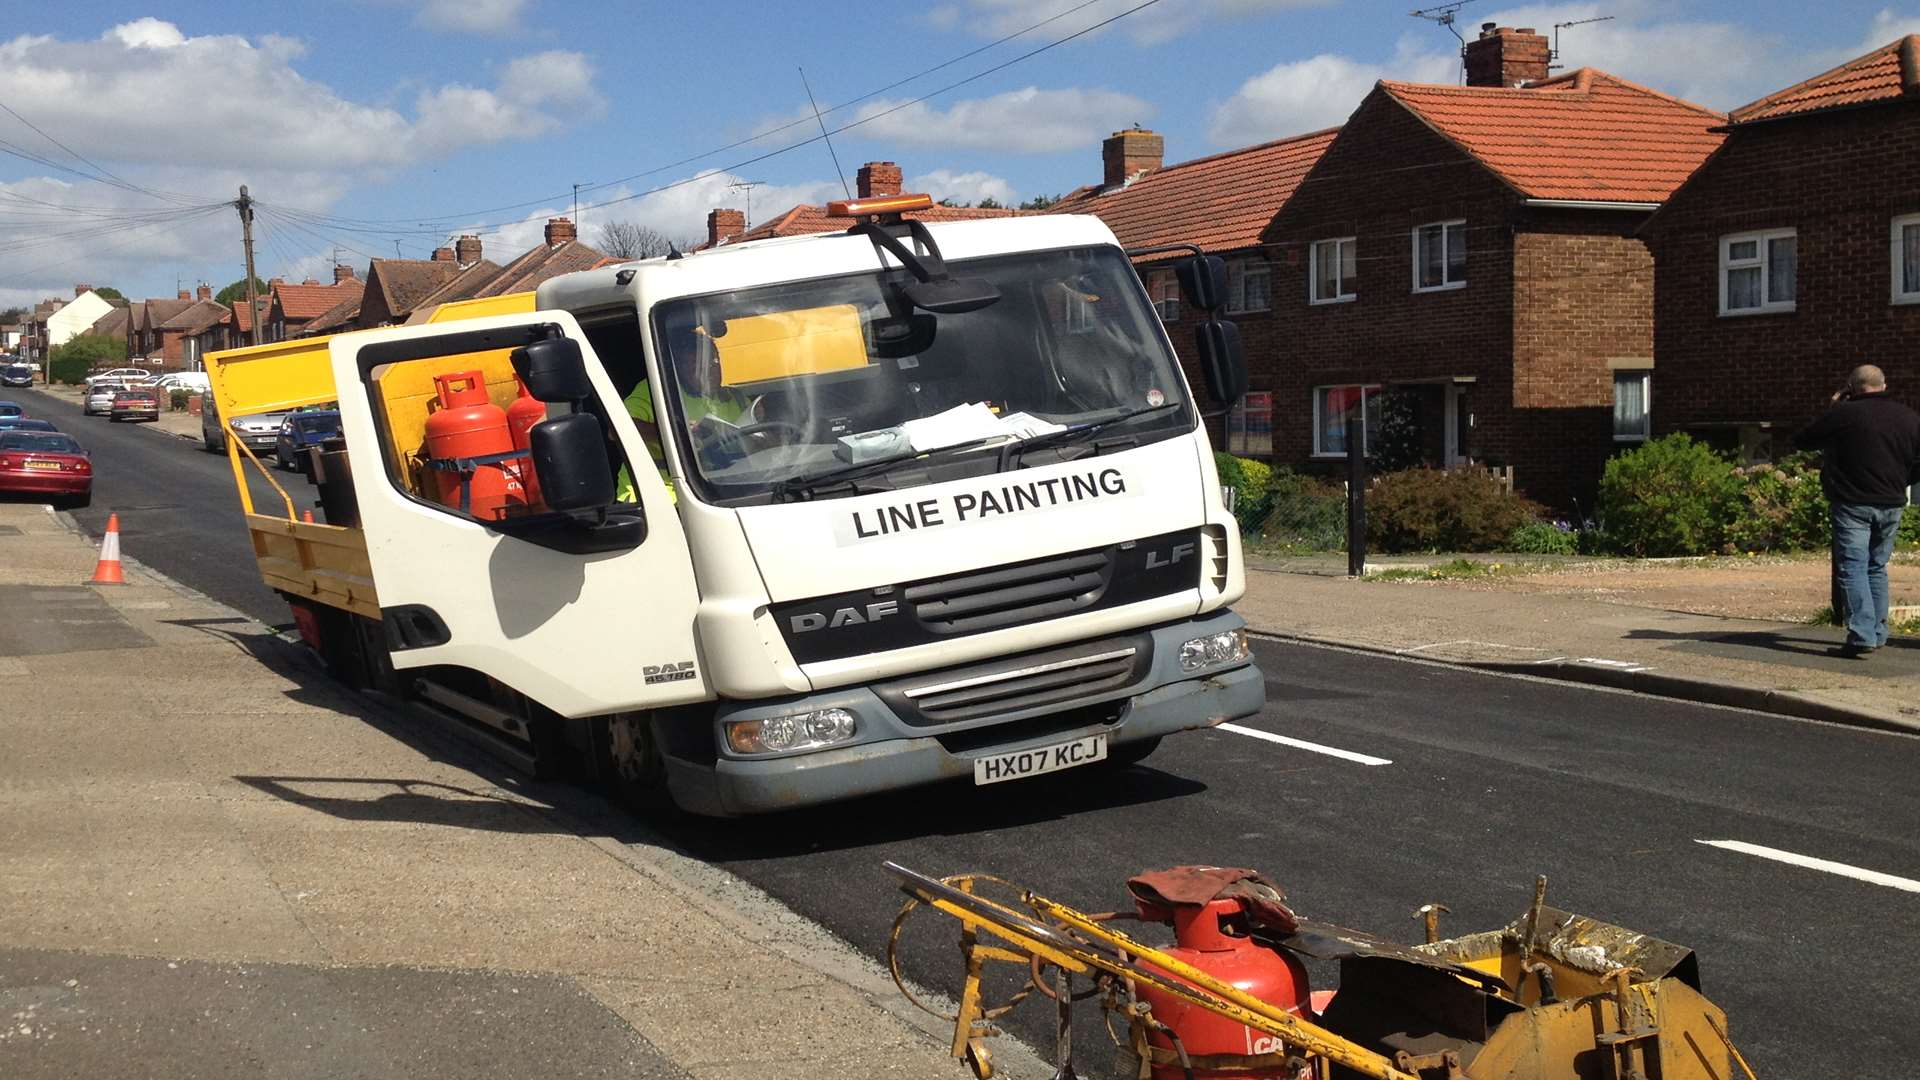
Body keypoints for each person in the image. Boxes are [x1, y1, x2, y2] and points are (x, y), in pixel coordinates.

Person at [1791, 364, 1920, 657]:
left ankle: (1861, 634)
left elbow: (1803, 439)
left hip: (1853, 503)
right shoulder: (1909, 417)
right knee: (1877, 567)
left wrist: (1834, 408)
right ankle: (1878, 631)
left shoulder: (1844, 415)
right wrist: (1902, 480)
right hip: (1892, 502)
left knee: (1853, 568)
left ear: (1852, 387)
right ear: (1884, 385)